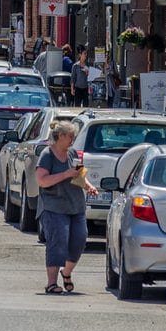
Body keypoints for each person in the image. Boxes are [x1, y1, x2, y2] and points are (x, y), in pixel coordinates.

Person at [35, 120, 98, 294]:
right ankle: (51, 283)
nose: (72, 139)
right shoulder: (47, 155)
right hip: (54, 206)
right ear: (61, 136)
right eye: (70, 136)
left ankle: (67, 273)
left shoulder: (72, 153)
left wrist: (88, 186)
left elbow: (79, 174)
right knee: (57, 242)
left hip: (75, 206)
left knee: (79, 239)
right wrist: (65, 174)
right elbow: (42, 181)